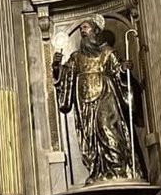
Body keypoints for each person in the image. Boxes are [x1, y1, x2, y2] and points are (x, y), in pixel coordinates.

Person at [52, 17, 142, 182]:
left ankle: (118, 168)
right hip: (84, 103)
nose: (82, 31)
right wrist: (57, 66)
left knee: (107, 129)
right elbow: (64, 77)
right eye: (81, 30)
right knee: (90, 135)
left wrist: (122, 68)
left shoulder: (107, 53)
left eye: (85, 28)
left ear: (95, 31)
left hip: (105, 97)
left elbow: (117, 70)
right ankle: (97, 170)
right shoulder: (76, 57)